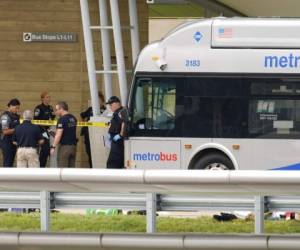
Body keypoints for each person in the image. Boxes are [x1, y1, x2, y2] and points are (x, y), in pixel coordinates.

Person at [80, 91, 106, 168]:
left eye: (99, 100)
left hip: (99, 136)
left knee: (99, 154)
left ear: (102, 100)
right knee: (89, 153)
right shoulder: (90, 109)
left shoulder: (105, 110)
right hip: (89, 135)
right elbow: (82, 115)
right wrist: (85, 124)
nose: (97, 102)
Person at [50, 101, 77, 168]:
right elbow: (68, 132)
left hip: (64, 148)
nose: (55, 112)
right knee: (71, 170)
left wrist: (53, 147)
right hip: (73, 147)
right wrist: (54, 134)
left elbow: (59, 135)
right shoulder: (73, 118)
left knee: (62, 170)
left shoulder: (62, 120)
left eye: (56, 110)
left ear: (61, 109)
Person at [106, 96, 129, 169]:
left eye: (111, 104)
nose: (110, 107)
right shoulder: (117, 112)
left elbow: (125, 122)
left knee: (112, 164)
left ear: (116, 103)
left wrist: (120, 135)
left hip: (118, 142)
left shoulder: (122, 111)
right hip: (115, 141)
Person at [34, 92, 55, 167]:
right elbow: (35, 121)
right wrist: (43, 128)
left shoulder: (51, 108)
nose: (49, 99)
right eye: (47, 97)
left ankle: (43, 166)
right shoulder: (38, 108)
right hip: (41, 130)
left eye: (49, 97)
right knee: (45, 148)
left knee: (47, 149)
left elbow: (53, 118)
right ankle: (41, 166)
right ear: (42, 99)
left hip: (48, 130)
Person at [0, 99, 21, 167]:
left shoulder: (17, 116)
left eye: (18, 108)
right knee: (7, 163)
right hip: (6, 142)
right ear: (11, 106)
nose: (17, 110)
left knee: (11, 162)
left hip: (13, 142)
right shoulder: (5, 117)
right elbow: (5, 131)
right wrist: (17, 129)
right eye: (16, 108)